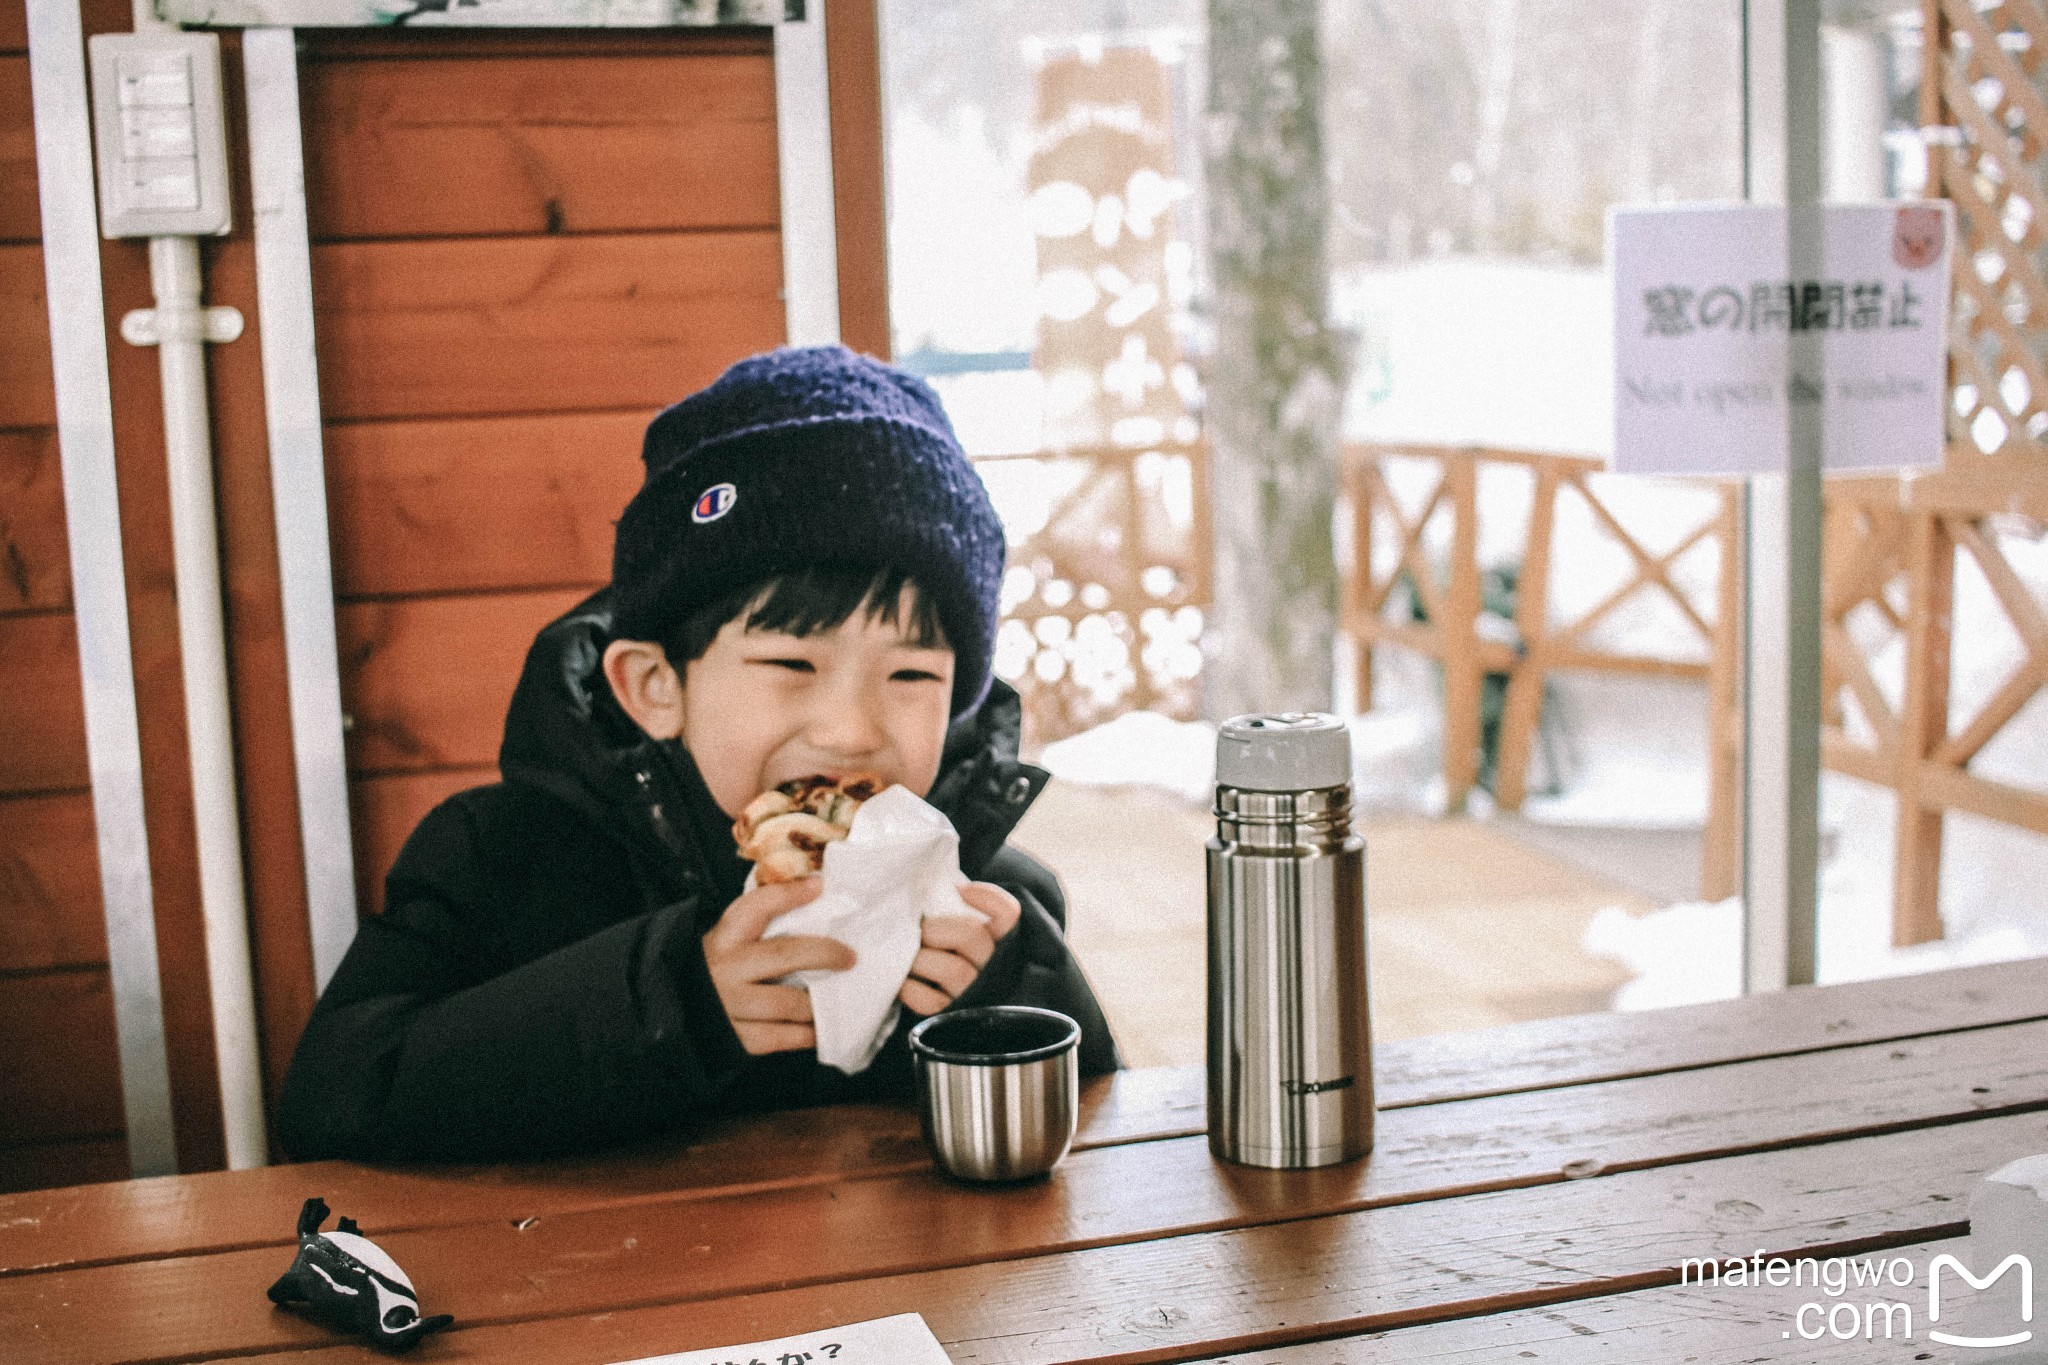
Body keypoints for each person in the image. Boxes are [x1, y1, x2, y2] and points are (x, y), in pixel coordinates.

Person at [276, 346, 1120, 1162]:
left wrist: (1012, 994)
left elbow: (1099, 1125)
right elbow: (334, 1095)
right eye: (792, 663)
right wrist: (669, 1002)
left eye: (910, 673)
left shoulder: (987, 896)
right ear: (655, 686)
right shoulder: (500, 858)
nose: (852, 728)